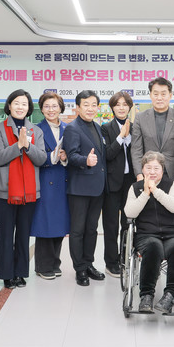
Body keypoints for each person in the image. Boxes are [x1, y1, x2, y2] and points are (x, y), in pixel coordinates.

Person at [0, 89, 46, 289]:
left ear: (29, 108)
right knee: (6, 234)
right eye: (16, 103)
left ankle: (20, 272)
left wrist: (28, 146)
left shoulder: (36, 131)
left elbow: (42, 159)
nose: (20, 107)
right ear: (9, 106)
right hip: (4, 191)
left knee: (23, 234)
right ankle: (6, 274)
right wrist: (18, 146)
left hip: (29, 192)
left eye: (24, 104)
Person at [124, 151, 174, 314]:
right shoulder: (135, 187)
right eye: (148, 167)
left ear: (162, 169)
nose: (152, 172)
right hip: (146, 234)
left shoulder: (171, 184)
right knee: (154, 246)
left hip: (172, 233)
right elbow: (129, 212)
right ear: (142, 169)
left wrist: (155, 191)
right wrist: (145, 193)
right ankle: (146, 296)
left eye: (156, 168)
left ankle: (171, 295)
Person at [63, 90, 107, 286]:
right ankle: (79, 269)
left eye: (93, 105)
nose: (90, 108)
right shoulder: (72, 128)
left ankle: (89, 264)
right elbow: (71, 155)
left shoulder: (97, 126)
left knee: (92, 229)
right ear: (78, 107)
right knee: (78, 230)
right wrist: (85, 161)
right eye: (86, 105)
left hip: (97, 187)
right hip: (79, 188)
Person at [30, 92, 70, 280]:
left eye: (54, 106)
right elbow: (32, 155)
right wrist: (51, 157)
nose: (51, 110)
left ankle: (55, 263)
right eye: (46, 106)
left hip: (64, 180)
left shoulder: (68, 128)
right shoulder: (36, 129)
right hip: (45, 180)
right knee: (45, 223)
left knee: (60, 223)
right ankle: (42, 265)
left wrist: (65, 157)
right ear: (41, 109)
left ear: (60, 108)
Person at [131, 77, 174, 191]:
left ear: (170, 95)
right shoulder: (140, 118)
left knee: (172, 202)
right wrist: (139, 174)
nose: (159, 98)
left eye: (163, 94)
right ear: (150, 95)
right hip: (149, 174)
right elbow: (136, 149)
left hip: (172, 173)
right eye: (156, 94)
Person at [101, 91, 136, 278]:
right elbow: (107, 154)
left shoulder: (136, 128)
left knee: (128, 223)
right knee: (111, 225)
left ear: (129, 107)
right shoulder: (105, 128)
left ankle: (125, 258)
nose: (121, 108)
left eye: (125, 104)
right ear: (112, 108)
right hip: (112, 183)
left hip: (131, 183)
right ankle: (111, 262)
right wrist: (121, 137)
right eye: (117, 104)